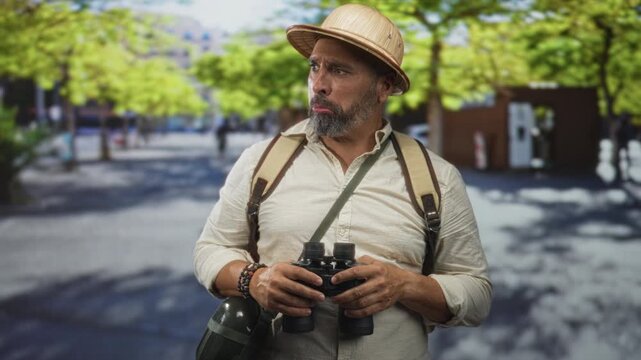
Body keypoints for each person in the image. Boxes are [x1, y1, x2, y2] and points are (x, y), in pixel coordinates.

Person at [194, 4, 492, 359]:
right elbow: (211, 249)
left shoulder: (436, 178)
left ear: (383, 86)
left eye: (338, 70)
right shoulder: (260, 161)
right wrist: (255, 280)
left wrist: (403, 285)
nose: (318, 85)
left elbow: (476, 293)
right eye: (314, 67)